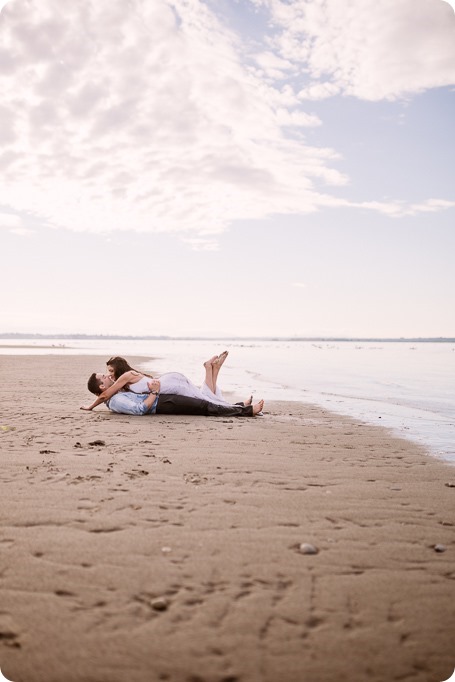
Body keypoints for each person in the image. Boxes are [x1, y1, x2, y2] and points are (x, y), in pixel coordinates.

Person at [82, 352, 252, 411]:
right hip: (172, 379)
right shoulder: (128, 378)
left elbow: (105, 395)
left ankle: (211, 369)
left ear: (119, 369)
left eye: (111, 371)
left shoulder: (124, 377)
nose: (109, 375)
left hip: (173, 384)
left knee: (204, 399)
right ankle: (213, 370)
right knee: (203, 396)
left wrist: (91, 406)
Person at [98, 389, 264, 418]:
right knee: (202, 407)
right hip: (162, 404)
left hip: (162, 400)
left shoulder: (115, 395)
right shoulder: (116, 400)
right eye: (104, 377)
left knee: (202, 402)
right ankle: (246, 411)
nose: (108, 377)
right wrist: (154, 392)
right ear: (101, 387)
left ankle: (239, 406)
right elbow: (139, 409)